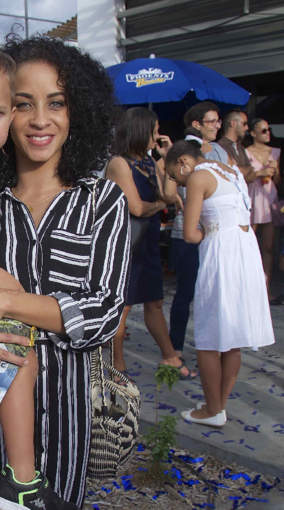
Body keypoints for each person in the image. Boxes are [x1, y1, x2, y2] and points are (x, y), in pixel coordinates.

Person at [0, 34, 130, 508]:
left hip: (63, 419)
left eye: (56, 103)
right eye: (23, 104)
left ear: (77, 111)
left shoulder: (101, 202)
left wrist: (1, 299)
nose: (41, 120)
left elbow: (102, 311)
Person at [164, 140, 275, 427]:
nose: (178, 182)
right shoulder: (231, 169)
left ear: (183, 162)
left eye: (176, 176)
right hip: (247, 251)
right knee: (232, 335)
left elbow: (189, 234)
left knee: (210, 334)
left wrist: (212, 233)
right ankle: (218, 405)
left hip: (222, 254)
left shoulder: (199, 176)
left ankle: (212, 411)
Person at [105, 108, 193, 379]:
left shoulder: (147, 162)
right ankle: (116, 365)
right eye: (154, 130)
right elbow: (138, 208)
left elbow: (168, 195)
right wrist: (158, 205)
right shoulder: (119, 163)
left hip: (149, 243)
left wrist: (167, 160)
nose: (158, 136)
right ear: (140, 129)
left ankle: (169, 356)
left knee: (154, 302)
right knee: (123, 307)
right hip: (128, 246)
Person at [167, 103, 236, 358]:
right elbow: (169, 190)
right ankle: (176, 348)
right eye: (213, 121)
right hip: (189, 230)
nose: (218, 125)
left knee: (216, 292)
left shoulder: (220, 151)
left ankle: (219, 346)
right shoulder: (182, 152)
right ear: (196, 125)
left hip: (218, 235)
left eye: (219, 121)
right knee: (186, 291)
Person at [244, 117, 281, 300]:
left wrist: (276, 171)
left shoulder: (275, 152)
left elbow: (279, 183)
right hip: (252, 198)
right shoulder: (245, 152)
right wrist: (260, 172)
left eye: (269, 130)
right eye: (264, 130)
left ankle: (265, 289)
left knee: (268, 246)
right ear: (253, 133)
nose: (268, 134)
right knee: (249, 245)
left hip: (269, 198)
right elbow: (244, 178)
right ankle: (250, 287)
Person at [218, 109, 256, 183]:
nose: (247, 128)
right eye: (244, 124)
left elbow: (252, 177)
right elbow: (229, 175)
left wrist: (240, 170)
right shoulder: (219, 147)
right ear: (233, 123)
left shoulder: (241, 147)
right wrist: (249, 168)